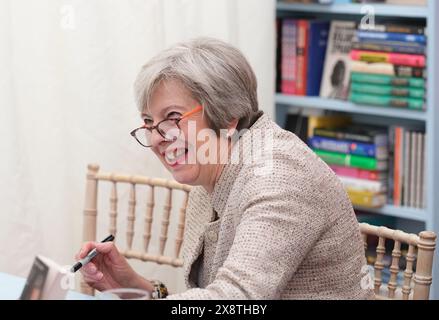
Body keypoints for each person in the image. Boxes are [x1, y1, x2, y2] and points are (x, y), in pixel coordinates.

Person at [75, 37, 374, 300]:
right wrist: (136, 290)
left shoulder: (280, 176)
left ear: (228, 117)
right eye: (149, 122)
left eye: (173, 117)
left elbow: (235, 298)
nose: (156, 138)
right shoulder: (210, 167)